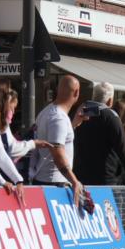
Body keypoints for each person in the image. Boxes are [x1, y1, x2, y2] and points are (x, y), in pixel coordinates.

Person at [72, 82, 125, 190]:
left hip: (80, 175)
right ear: (110, 100)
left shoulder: (81, 112)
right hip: (104, 177)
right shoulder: (110, 116)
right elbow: (123, 148)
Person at [30, 75, 84, 206]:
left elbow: (57, 140)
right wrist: (74, 181)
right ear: (76, 92)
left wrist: (74, 124)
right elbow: (57, 153)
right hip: (54, 183)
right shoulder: (58, 118)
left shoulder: (47, 112)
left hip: (46, 180)